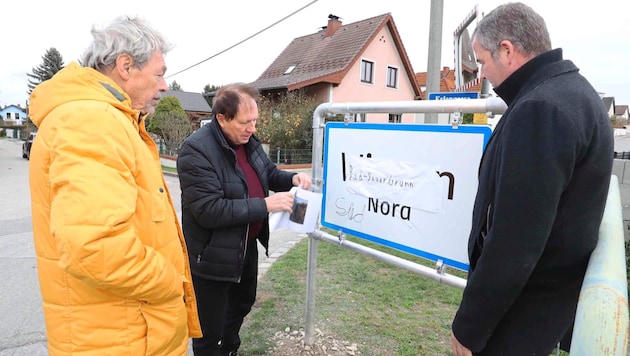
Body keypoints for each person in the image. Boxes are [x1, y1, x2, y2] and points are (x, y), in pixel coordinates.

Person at [28, 16, 202, 355]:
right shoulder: (92, 120)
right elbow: (92, 246)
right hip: (122, 338)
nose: (165, 85)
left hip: (124, 331)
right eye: (159, 72)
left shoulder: (107, 118)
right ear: (125, 66)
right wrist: (170, 280)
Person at [450, 3, 614, 355]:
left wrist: (469, 327)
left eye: (482, 60)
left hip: (517, 320)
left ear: (507, 51)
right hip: (541, 311)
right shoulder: (575, 93)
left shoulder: (540, 108)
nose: (482, 74)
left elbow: (515, 240)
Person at [176, 83, 312, 355]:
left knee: (241, 305)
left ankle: (230, 349)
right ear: (222, 118)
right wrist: (265, 205)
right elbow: (209, 210)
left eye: (255, 121)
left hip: (244, 248)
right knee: (209, 328)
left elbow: (269, 174)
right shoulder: (196, 150)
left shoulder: (248, 142)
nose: (252, 128)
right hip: (211, 257)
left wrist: (291, 179)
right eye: (245, 122)